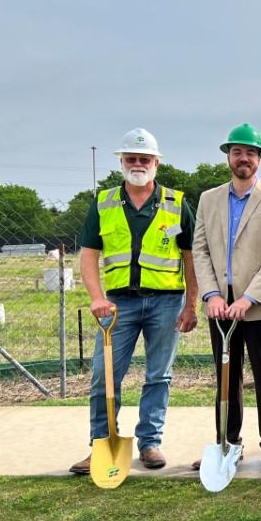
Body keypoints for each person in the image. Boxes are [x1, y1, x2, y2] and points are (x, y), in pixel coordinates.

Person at [70, 128, 198, 475]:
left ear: (156, 163)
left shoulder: (176, 203)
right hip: (117, 306)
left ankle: (150, 443)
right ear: (121, 162)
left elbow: (191, 257)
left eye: (144, 159)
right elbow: (88, 256)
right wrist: (96, 298)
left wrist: (191, 304)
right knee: (104, 377)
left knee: (159, 376)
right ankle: (102, 443)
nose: (138, 164)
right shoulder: (104, 202)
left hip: (167, 303)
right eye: (131, 159)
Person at [191, 123, 261, 474]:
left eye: (250, 153)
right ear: (228, 157)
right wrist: (211, 294)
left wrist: (248, 298)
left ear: (259, 159)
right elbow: (200, 249)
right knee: (226, 376)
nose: (243, 158)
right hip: (221, 305)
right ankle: (227, 442)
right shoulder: (208, 199)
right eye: (237, 152)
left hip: (259, 305)